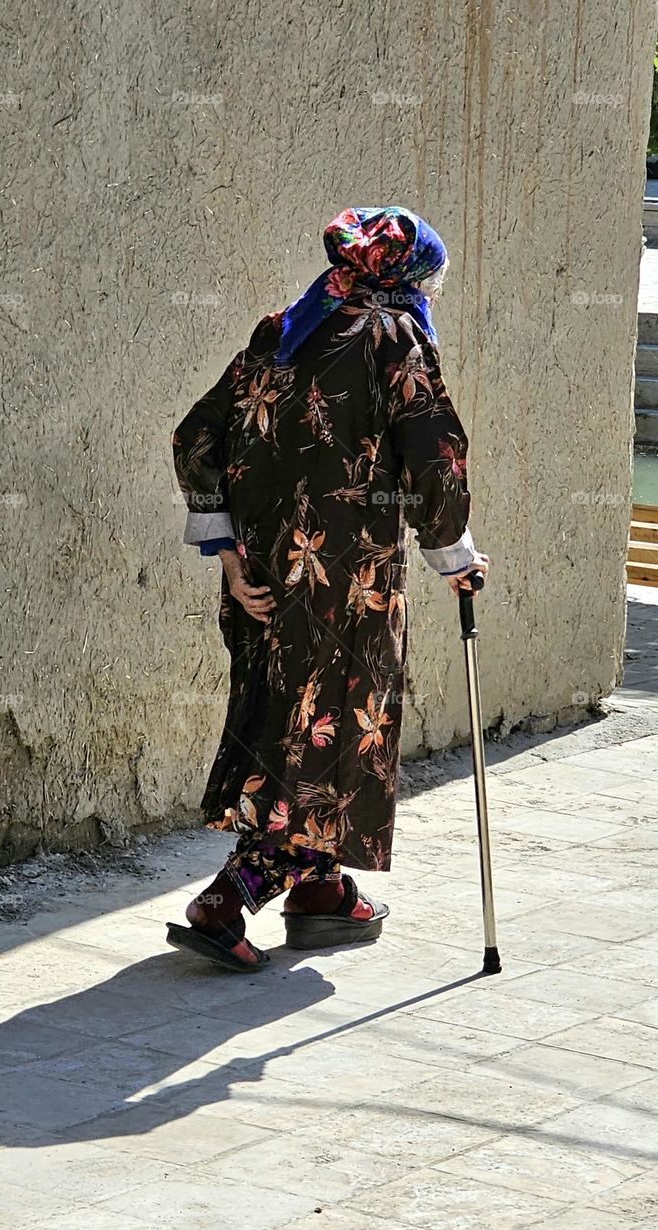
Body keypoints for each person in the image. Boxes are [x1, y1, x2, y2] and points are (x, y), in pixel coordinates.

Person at [167, 206, 489, 972]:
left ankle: (323, 891)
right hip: (348, 589)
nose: (431, 295)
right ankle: (228, 899)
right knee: (326, 739)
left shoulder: (283, 330)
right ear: (405, 276)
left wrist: (227, 556)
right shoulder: (393, 336)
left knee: (289, 729)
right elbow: (436, 459)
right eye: (429, 281)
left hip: (265, 582)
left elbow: (196, 437)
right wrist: (454, 554)